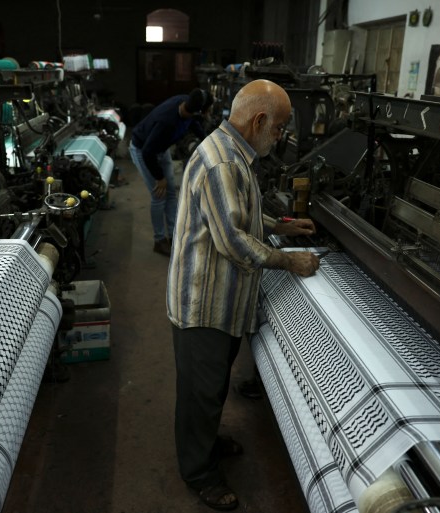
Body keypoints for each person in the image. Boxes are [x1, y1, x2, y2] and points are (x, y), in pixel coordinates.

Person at [167, 79, 320, 511]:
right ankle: (199, 472)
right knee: (200, 392)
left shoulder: (231, 152)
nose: (280, 137)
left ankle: (206, 444)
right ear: (259, 121)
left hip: (221, 301)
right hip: (204, 304)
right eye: (279, 128)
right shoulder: (223, 163)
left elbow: (238, 213)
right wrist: (290, 260)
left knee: (210, 389)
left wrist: (280, 226)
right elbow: (233, 240)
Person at [129, 88, 213, 256]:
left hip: (161, 148)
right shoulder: (167, 122)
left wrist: (208, 140)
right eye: (208, 110)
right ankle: (159, 241)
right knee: (159, 195)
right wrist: (159, 177)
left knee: (171, 194)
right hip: (143, 150)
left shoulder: (186, 102)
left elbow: (193, 123)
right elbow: (147, 152)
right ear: (198, 111)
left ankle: (175, 236)